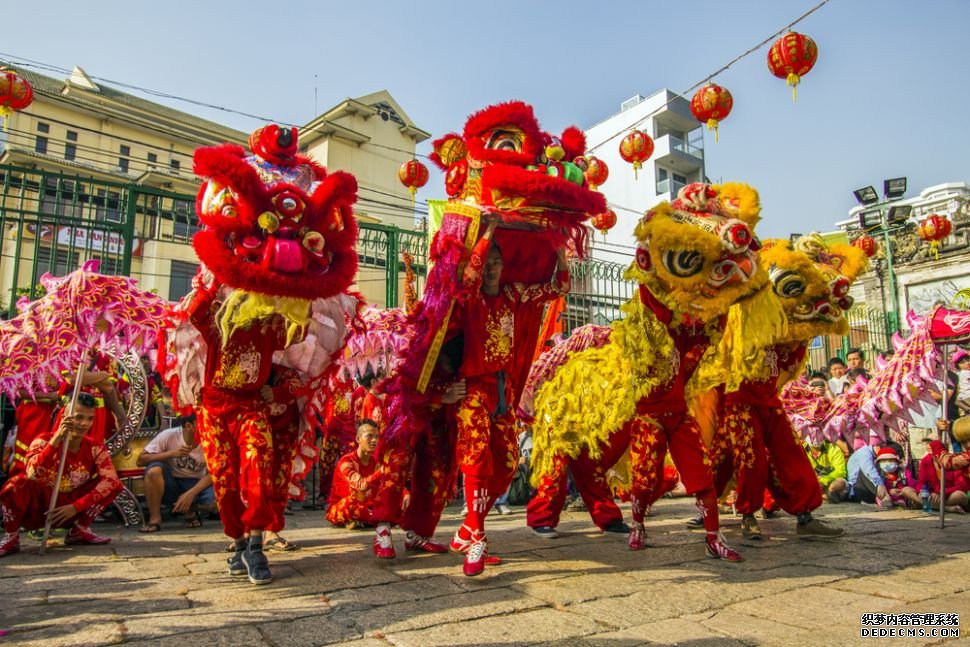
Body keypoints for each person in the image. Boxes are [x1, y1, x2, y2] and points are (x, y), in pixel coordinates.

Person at [450, 221, 570, 576]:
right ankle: (478, 540)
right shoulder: (468, 295)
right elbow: (469, 276)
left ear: (505, 268)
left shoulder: (514, 294)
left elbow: (558, 287)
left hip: (503, 390)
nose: (490, 269)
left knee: (505, 465)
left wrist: (561, 251)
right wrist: (489, 231)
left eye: (496, 262)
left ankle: (469, 527)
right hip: (472, 388)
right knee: (475, 459)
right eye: (486, 261)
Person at [0, 393, 122, 557]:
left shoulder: (95, 447)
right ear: (65, 416)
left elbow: (111, 481)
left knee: (113, 485)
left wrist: (75, 507)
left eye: (89, 418)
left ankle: (79, 530)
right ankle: (12, 537)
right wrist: (56, 440)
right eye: (78, 417)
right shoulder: (43, 440)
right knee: (14, 486)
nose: (84, 424)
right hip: (41, 506)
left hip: (71, 505)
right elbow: (32, 473)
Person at [137, 414, 215, 532]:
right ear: (189, 426)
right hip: (173, 482)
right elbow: (141, 460)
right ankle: (155, 519)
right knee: (154, 470)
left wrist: (191, 493)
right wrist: (170, 454)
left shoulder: (211, 439)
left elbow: (215, 473)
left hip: (198, 484)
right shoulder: (169, 435)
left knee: (221, 496)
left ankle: (191, 509)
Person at [326, 420, 384, 528]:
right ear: (358, 439)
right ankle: (371, 519)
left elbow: (386, 483)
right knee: (351, 504)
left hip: (368, 505)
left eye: (376, 436)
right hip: (344, 507)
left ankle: (366, 519)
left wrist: (405, 495)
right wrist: (380, 472)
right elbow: (360, 485)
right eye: (369, 436)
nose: (374, 440)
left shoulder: (375, 463)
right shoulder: (346, 462)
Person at [919, 441, 970, 513]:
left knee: (961, 496)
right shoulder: (926, 460)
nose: (968, 445)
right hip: (932, 495)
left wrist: (941, 493)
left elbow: (961, 486)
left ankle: (931, 505)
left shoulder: (954, 459)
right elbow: (921, 482)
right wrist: (928, 492)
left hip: (948, 495)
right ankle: (945, 508)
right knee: (909, 491)